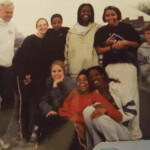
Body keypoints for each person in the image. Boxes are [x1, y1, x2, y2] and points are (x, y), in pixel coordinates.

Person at [94, 6, 142, 140]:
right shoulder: (102, 31)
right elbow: (98, 50)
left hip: (128, 65)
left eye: (113, 15)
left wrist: (125, 42)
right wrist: (111, 47)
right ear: (104, 17)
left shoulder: (127, 28)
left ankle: (135, 134)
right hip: (110, 67)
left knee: (132, 98)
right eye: (107, 15)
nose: (110, 18)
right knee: (115, 99)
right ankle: (121, 133)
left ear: (117, 15)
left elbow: (137, 43)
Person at [59, 69, 122, 150]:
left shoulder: (94, 95)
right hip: (72, 128)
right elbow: (62, 111)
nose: (81, 82)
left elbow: (118, 116)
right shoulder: (74, 93)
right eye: (79, 80)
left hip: (88, 132)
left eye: (85, 79)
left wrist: (105, 111)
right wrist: (75, 121)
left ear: (89, 81)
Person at [85, 66, 137, 149]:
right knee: (87, 111)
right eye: (91, 77)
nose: (94, 78)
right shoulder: (95, 94)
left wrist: (108, 112)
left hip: (122, 130)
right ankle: (96, 146)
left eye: (96, 75)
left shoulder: (117, 88)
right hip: (105, 130)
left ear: (102, 75)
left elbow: (131, 111)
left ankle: (113, 146)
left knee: (100, 118)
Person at [14, 18, 49, 143]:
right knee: (25, 104)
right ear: (36, 26)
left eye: (45, 25)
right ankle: (23, 134)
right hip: (28, 78)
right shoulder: (30, 40)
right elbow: (20, 59)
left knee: (40, 105)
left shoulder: (49, 41)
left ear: (48, 26)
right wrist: (25, 77)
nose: (43, 27)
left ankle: (36, 132)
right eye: (40, 25)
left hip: (42, 79)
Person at [0, 0, 24, 149]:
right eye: (7, 12)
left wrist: (42, 36)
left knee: (9, 103)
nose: (9, 15)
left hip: (7, 70)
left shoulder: (12, 26)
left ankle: (0, 135)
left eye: (11, 12)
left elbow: (23, 39)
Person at [39, 60, 78, 149]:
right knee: (48, 117)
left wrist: (55, 87)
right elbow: (43, 101)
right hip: (54, 111)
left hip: (67, 113)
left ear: (63, 71)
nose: (56, 74)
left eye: (59, 71)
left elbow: (61, 104)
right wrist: (48, 110)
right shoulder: (49, 81)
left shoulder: (69, 83)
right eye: (54, 71)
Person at [64, 3, 100, 78]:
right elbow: (66, 52)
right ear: (79, 13)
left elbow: (100, 48)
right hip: (75, 71)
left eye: (88, 11)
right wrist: (66, 68)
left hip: (92, 68)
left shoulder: (97, 28)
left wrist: (100, 63)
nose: (86, 13)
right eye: (83, 11)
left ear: (92, 13)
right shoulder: (71, 31)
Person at [43, 14, 69, 78]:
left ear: (62, 22)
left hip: (63, 62)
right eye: (54, 23)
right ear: (51, 24)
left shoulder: (66, 31)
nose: (56, 24)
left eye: (58, 22)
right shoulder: (48, 32)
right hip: (51, 64)